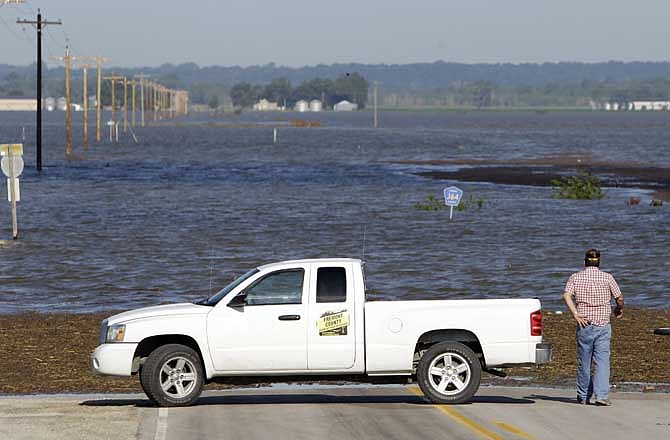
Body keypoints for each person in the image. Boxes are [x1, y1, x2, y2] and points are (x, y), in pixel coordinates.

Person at [563, 249, 624, 406]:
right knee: (602, 361)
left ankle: (583, 395)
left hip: (584, 323)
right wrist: (619, 309)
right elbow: (619, 298)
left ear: (585, 262)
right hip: (603, 323)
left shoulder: (576, 277)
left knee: (585, 361)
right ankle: (601, 396)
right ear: (599, 262)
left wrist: (575, 314)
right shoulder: (607, 277)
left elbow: (566, 295)